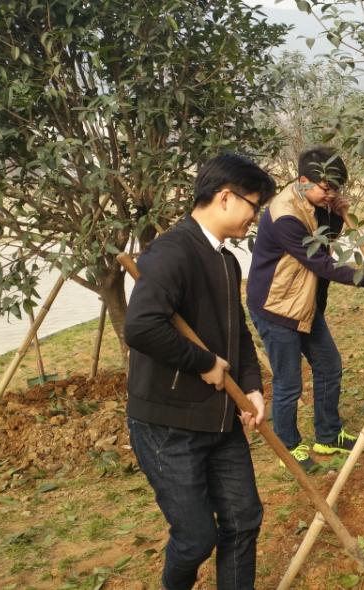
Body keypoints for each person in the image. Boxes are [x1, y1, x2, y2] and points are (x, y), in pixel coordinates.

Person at [123, 153, 276, 590]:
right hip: (167, 423)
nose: (254, 216)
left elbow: (238, 333)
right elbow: (142, 326)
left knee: (244, 520)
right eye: (253, 204)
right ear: (225, 197)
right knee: (194, 539)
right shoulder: (172, 252)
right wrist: (204, 362)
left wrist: (251, 387)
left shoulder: (225, 261)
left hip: (220, 418)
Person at [247, 146, 364, 471]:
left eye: (336, 189)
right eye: (326, 189)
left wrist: (334, 211)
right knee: (288, 383)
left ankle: (327, 435)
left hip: (306, 304)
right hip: (277, 307)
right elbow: (321, 264)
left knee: (329, 366)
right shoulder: (285, 215)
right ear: (302, 181)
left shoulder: (314, 202)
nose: (331, 194)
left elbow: (326, 237)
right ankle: (288, 446)